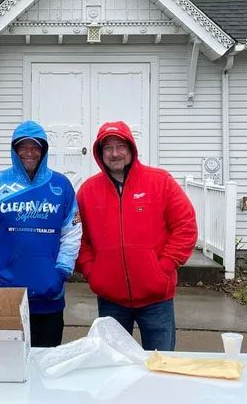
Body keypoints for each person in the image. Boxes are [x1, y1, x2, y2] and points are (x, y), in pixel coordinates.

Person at [76, 120, 197, 351]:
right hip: (111, 300)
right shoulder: (88, 191)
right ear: (100, 153)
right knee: (115, 368)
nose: (115, 153)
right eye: (108, 148)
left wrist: (165, 266)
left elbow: (185, 226)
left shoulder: (160, 182)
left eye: (120, 146)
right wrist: (92, 271)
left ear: (131, 148)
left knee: (161, 367)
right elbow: (78, 237)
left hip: (156, 299)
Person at [0, 120, 82, 347]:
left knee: (46, 364)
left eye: (35, 147)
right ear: (14, 150)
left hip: (49, 295)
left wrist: (62, 271)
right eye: (22, 147)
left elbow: (72, 233)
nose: (29, 153)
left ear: (43, 150)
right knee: (7, 365)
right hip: (7, 294)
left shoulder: (61, 185)